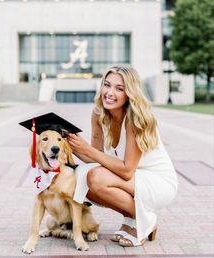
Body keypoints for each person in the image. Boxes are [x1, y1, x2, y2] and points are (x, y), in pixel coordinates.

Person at [67, 65, 178, 247]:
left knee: (95, 177)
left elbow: (126, 171)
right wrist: (71, 145)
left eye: (119, 88)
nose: (110, 93)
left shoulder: (135, 118)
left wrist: (88, 150)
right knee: (80, 176)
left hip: (158, 181)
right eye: (107, 85)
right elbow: (95, 158)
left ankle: (146, 220)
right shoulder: (98, 114)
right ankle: (132, 220)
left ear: (130, 93)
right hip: (133, 177)